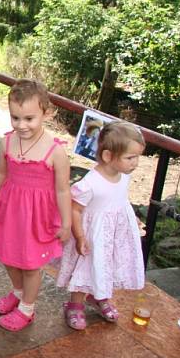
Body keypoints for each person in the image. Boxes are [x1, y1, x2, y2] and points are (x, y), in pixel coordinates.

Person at [0, 79, 72, 332]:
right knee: (7, 256)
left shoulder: (55, 152)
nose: (21, 125)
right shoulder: (7, 142)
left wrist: (66, 222)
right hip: (9, 210)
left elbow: (63, 190)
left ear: (46, 113)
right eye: (15, 118)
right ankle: (18, 292)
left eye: (29, 118)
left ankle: (27, 308)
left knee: (30, 265)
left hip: (37, 217)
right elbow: (0, 173)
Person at [56, 121, 146, 330]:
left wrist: (130, 218)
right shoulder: (90, 184)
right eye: (130, 158)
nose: (136, 163)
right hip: (93, 235)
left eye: (137, 157)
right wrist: (80, 237)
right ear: (108, 156)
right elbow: (75, 209)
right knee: (86, 268)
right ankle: (75, 304)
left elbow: (120, 199)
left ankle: (100, 295)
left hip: (114, 234)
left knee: (108, 265)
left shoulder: (124, 176)